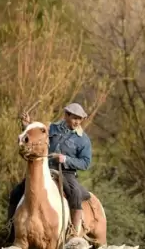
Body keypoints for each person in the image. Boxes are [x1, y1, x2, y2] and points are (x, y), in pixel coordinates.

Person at [7, 102, 92, 239]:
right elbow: (35, 138)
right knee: (16, 191)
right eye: (74, 118)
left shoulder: (84, 140)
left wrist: (65, 159)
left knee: (75, 193)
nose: (77, 122)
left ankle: (74, 234)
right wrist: (26, 125)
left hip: (66, 173)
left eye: (79, 119)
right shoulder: (51, 128)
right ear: (66, 115)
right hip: (44, 169)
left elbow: (85, 163)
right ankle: (10, 229)